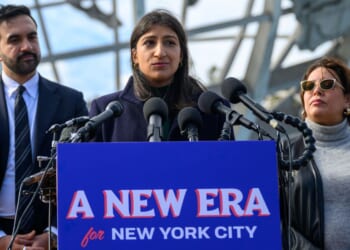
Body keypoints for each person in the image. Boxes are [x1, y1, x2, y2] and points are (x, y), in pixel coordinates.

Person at [0, 4, 88, 250]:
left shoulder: (71, 102)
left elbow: (84, 173)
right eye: (14, 40)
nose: (27, 46)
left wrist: (55, 233)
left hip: (53, 232)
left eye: (32, 36)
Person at [89, 9, 230, 142]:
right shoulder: (105, 112)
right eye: (149, 43)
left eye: (170, 43)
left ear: (181, 55)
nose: (160, 52)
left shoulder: (215, 111)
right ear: (135, 56)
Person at [280, 57, 350, 249]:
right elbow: (276, 221)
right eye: (309, 86)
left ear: (347, 99)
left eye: (327, 84)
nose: (316, 90)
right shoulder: (285, 156)